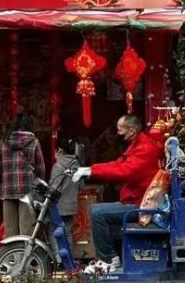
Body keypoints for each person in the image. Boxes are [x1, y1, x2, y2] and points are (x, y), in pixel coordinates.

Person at [72, 114, 163, 273]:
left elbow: (124, 171)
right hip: (136, 200)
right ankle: (112, 255)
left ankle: (108, 260)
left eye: (121, 130)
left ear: (131, 130)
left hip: (140, 204)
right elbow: (118, 163)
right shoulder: (137, 144)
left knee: (97, 212)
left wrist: (92, 171)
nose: (118, 134)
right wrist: (91, 169)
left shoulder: (144, 148)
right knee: (101, 211)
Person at [0, 112, 46, 238]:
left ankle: (11, 256)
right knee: (26, 229)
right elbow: (41, 169)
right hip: (27, 190)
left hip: (8, 189)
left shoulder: (3, 142)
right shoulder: (34, 142)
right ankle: (25, 256)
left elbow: (0, 166)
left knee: (10, 230)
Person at [49, 137, 83, 250]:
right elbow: (81, 187)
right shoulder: (77, 166)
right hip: (71, 206)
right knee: (67, 232)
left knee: (55, 232)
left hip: (58, 206)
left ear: (59, 151)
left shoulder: (58, 166)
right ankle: (68, 261)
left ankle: (58, 260)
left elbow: (53, 188)